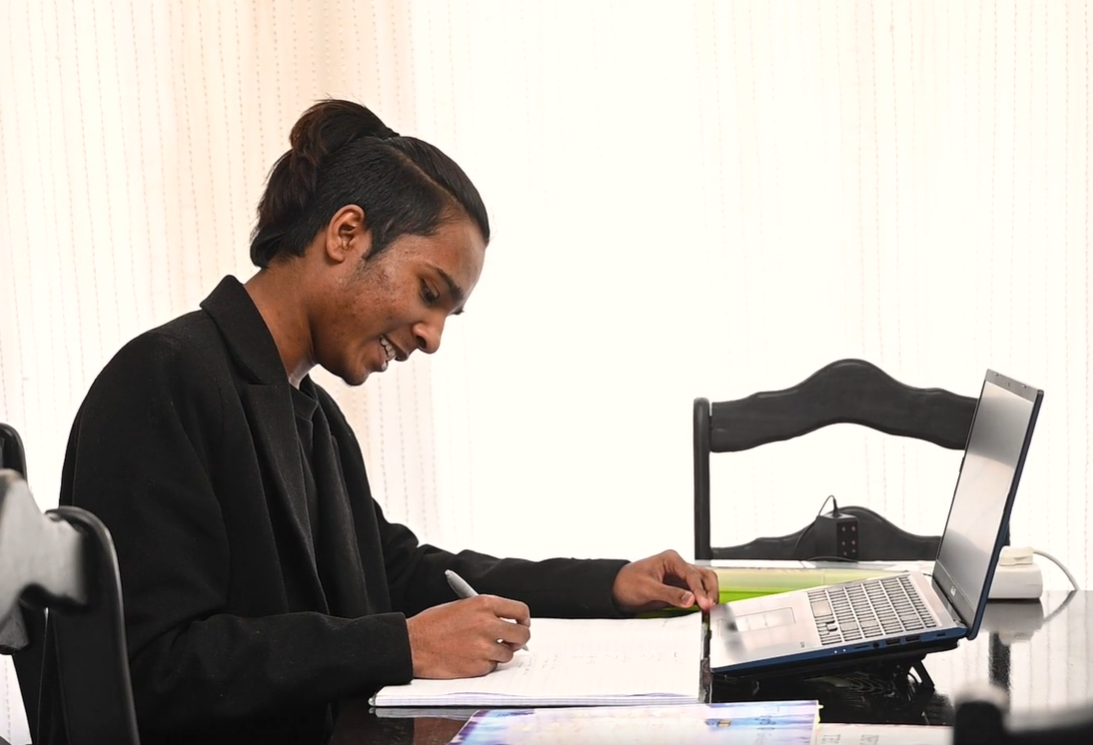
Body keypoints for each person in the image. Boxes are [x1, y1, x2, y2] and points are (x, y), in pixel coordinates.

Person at [44, 100, 718, 745]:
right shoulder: (163, 377)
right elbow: (149, 668)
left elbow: (401, 573)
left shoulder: (315, 416)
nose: (432, 337)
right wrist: (402, 645)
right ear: (346, 234)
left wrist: (608, 584)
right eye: (429, 292)